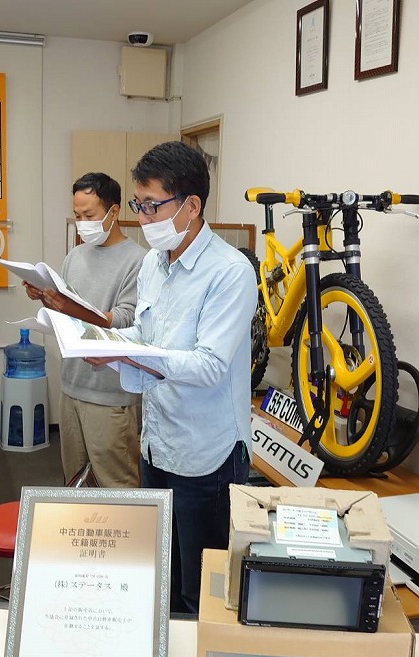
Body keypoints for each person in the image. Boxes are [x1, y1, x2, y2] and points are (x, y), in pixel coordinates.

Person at [88, 141, 257, 613]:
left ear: (191, 206)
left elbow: (209, 365)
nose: (143, 218)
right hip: (157, 444)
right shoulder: (153, 262)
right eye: (139, 205)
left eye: (152, 206)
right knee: (163, 576)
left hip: (207, 455)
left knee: (202, 593)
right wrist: (105, 344)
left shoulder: (229, 272)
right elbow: (145, 334)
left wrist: (134, 354)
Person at [23, 173, 145, 488]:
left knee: (116, 485)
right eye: (77, 216)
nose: (82, 224)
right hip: (72, 385)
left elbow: (127, 319)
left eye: (89, 216)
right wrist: (44, 297)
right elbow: (66, 312)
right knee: (75, 482)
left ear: (114, 211)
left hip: (111, 392)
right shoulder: (75, 256)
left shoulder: (139, 261)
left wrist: (69, 307)